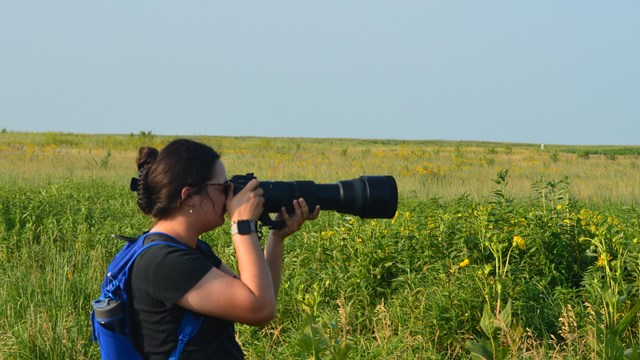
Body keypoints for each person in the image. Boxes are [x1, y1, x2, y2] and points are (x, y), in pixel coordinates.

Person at [129, 138, 320, 359]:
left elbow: (261, 296)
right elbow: (260, 309)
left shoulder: (186, 249)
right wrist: (242, 225)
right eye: (222, 187)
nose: (230, 195)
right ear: (189, 196)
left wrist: (276, 238)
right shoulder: (164, 261)